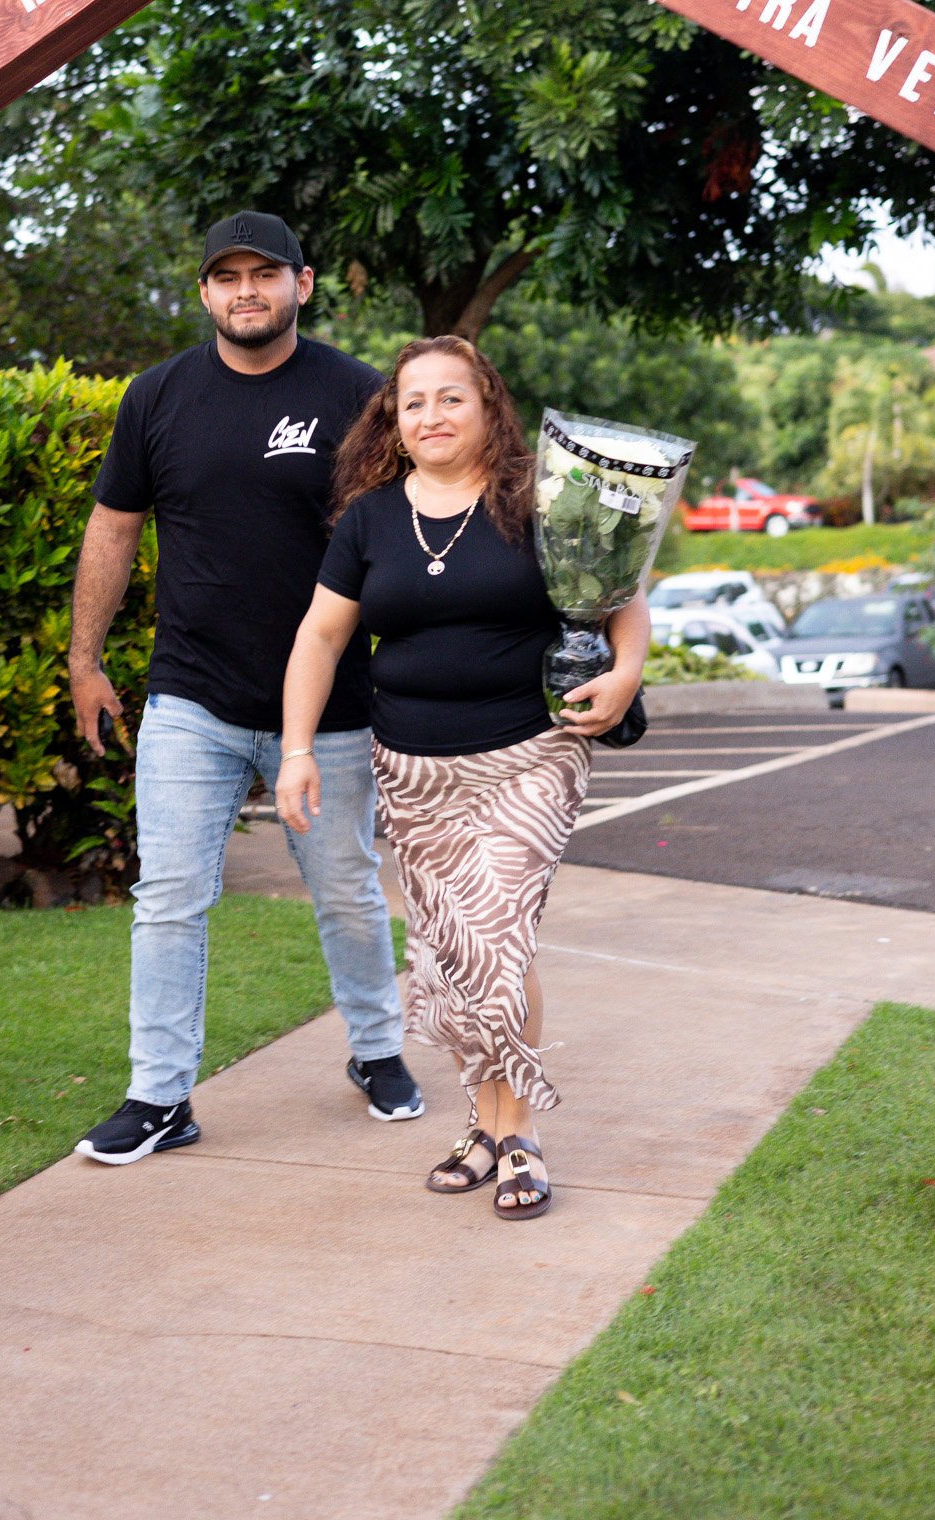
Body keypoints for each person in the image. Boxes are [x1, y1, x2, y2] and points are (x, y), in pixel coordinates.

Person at [67, 211, 421, 1166]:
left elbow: (403, 531)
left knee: (346, 892)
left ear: (303, 285)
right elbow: (113, 528)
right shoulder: (158, 397)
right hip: (192, 693)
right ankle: (158, 1096)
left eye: (265, 273)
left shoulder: (358, 395)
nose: (246, 291)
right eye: (227, 278)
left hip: (332, 702)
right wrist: (84, 658)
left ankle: (378, 1050)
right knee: (170, 895)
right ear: (204, 295)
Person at [274, 336, 649, 1220]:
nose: (430, 416)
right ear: (392, 421)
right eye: (412, 403)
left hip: (529, 754)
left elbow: (624, 598)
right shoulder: (368, 518)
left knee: (495, 944)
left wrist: (625, 672)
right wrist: (295, 751)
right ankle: (481, 1125)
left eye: (451, 399)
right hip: (410, 767)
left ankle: (516, 1133)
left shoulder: (544, 501)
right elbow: (319, 638)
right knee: (449, 956)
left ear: (488, 408)